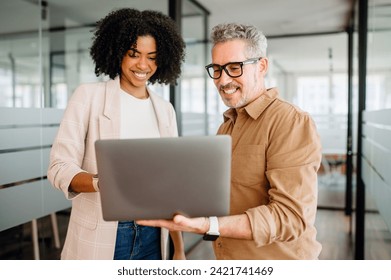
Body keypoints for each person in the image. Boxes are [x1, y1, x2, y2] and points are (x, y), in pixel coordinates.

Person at [137, 23, 323, 259]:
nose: (223, 80)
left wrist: (207, 225)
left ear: (261, 66)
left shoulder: (290, 122)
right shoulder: (227, 126)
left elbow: (291, 218)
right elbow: (227, 194)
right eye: (216, 69)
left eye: (234, 68)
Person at [47, 8, 186, 260]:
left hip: (154, 233)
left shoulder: (165, 110)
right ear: (118, 51)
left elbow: (171, 184)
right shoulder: (88, 96)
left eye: (152, 57)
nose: (143, 65)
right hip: (105, 234)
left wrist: (178, 248)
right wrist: (102, 182)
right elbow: (59, 168)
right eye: (134, 54)